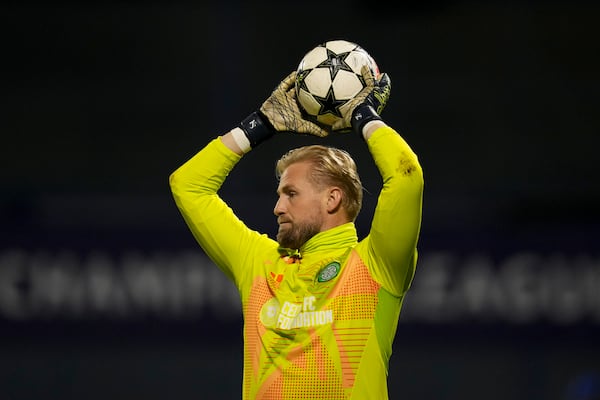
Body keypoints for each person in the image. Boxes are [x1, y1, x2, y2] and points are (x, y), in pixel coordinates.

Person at [170, 63, 424, 399]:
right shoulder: (259, 263)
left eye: (291, 194)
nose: (277, 208)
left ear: (333, 198)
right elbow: (188, 186)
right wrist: (258, 126)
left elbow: (407, 178)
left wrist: (363, 116)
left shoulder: (375, 266)